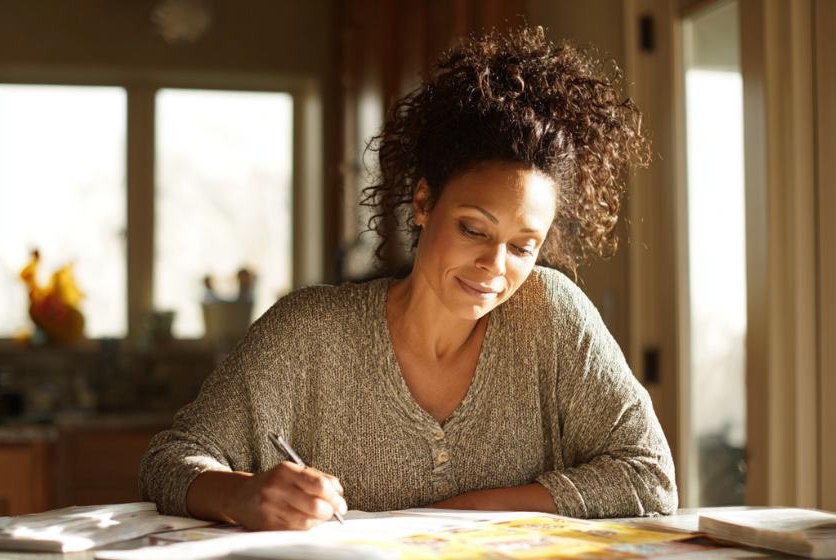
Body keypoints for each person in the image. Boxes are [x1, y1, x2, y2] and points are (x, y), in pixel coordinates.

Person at [140, 27, 677, 531]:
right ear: (423, 203)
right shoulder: (307, 333)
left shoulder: (555, 317)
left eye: (521, 247)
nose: (495, 265)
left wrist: (452, 517)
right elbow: (169, 462)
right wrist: (244, 495)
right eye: (473, 229)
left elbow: (649, 479)